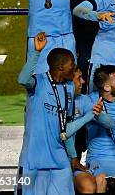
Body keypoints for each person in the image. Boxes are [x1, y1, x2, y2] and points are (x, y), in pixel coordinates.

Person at [16, 32, 76, 195]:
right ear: (61, 66)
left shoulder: (69, 88)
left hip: (59, 160)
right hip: (32, 160)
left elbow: (67, 125)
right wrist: (36, 52)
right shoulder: (38, 82)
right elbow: (22, 79)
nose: (75, 69)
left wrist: (72, 156)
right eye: (72, 64)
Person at [66, 67, 114, 194]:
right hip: (55, 159)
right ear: (68, 81)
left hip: (73, 160)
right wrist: (89, 116)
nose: (83, 82)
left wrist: (98, 114)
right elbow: (65, 132)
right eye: (78, 78)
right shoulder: (54, 100)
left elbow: (109, 124)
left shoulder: (82, 100)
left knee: (89, 186)